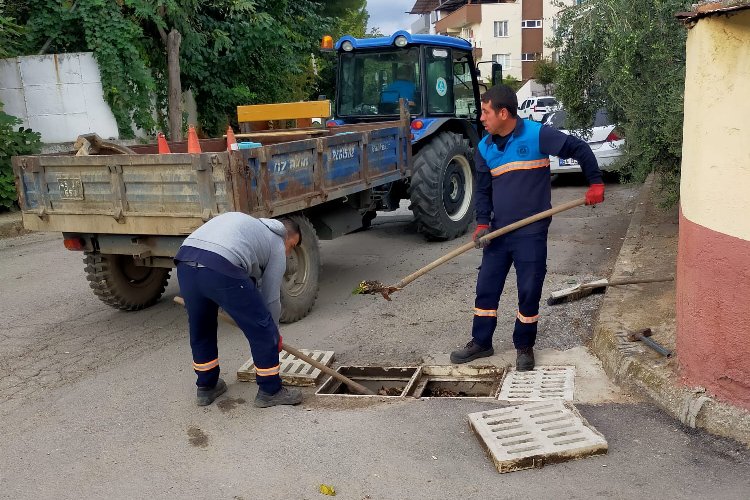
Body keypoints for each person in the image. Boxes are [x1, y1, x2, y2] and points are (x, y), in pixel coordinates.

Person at [450, 84, 605, 371]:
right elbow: (483, 191)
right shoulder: (485, 147)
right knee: (487, 287)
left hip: (531, 232)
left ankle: (524, 346)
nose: (481, 118)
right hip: (498, 232)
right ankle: (481, 342)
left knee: (529, 289)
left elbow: (578, 148)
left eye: (485, 112)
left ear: (503, 113)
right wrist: (482, 223)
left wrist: (594, 182)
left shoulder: (537, 134)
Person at [174, 212, 303, 407]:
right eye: (291, 247)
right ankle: (270, 390)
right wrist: (274, 334)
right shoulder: (276, 242)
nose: (287, 253)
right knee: (262, 327)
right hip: (220, 265)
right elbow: (271, 298)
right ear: (286, 236)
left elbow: (251, 283)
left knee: (202, 327)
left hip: (185, 262)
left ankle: (207, 387)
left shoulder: (250, 228)